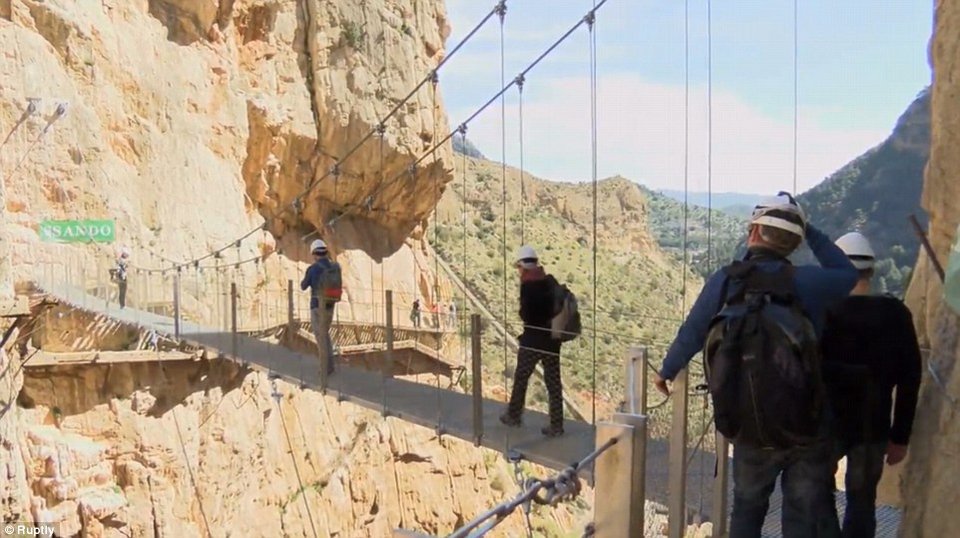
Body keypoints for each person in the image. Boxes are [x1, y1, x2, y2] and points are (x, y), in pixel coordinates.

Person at [654, 192, 858, 538]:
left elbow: (694, 331)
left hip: (747, 422)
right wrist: (809, 229)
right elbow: (848, 273)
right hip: (805, 423)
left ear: (753, 232)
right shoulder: (809, 283)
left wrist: (667, 370)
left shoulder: (725, 280)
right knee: (801, 516)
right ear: (794, 243)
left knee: (747, 510)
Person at [821, 232, 922, 538]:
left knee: (818, 496)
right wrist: (900, 436)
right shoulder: (896, 315)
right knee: (863, 503)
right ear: (871, 271)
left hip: (826, 424)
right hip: (872, 425)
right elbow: (910, 378)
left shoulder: (821, 313)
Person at [499, 245, 565, 437]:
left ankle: (514, 416)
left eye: (519, 268)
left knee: (521, 377)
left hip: (532, 341)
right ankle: (557, 425)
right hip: (552, 342)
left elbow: (525, 314)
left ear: (522, 266)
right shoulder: (550, 281)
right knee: (553, 383)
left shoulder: (528, 286)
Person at [300, 239, 342, 377]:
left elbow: (303, 286)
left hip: (317, 307)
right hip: (330, 305)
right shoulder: (335, 267)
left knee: (320, 337)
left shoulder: (313, 269)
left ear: (314, 253)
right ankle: (330, 366)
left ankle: (325, 368)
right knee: (325, 333)